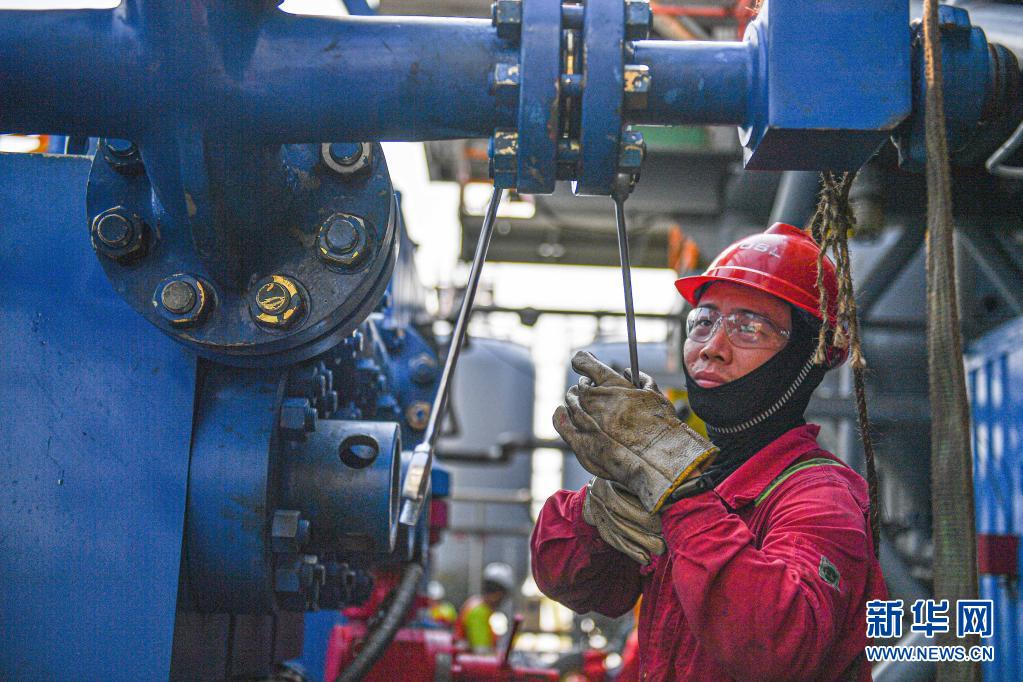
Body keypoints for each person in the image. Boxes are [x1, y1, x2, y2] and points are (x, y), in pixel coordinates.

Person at [531, 223, 887, 680]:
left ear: (809, 357)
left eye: (749, 328)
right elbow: (572, 580)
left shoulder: (820, 499)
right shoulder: (698, 481)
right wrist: (601, 504)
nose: (712, 348)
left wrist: (681, 492)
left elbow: (775, 645)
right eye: (703, 322)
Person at [455, 562, 515, 653]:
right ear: (499, 592)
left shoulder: (477, 605)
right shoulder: (479, 612)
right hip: (471, 661)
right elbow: (481, 651)